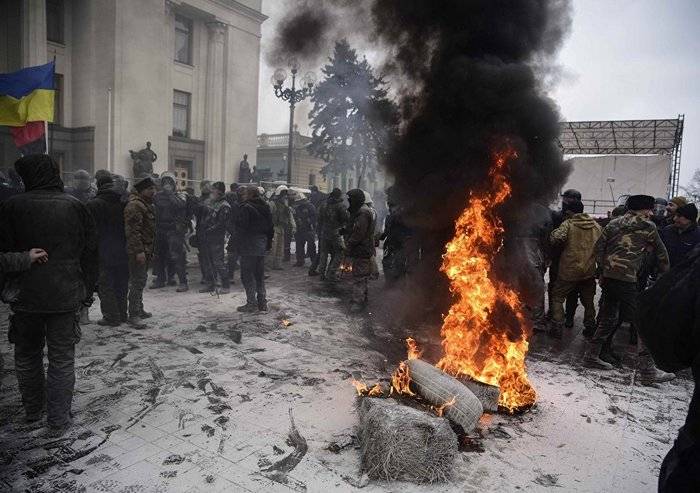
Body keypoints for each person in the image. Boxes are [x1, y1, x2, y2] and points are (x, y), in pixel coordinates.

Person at [0, 154, 98, 436]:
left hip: (24, 297)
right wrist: (87, 293)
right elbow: (91, 255)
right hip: (65, 295)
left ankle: (33, 410)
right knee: (62, 358)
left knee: (27, 355)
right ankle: (57, 420)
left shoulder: (10, 206)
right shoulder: (76, 206)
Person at [583, 195, 674, 385]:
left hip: (609, 278)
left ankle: (591, 355)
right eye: (649, 209)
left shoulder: (614, 224)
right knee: (641, 321)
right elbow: (661, 253)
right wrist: (667, 276)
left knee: (608, 317)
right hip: (627, 280)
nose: (651, 212)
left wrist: (602, 271)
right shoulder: (648, 227)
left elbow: (598, 247)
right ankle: (647, 371)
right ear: (643, 209)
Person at [548, 200, 601, 339]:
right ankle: (590, 326)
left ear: (570, 212)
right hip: (588, 271)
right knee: (588, 301)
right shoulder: (595, 226)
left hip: (569, 271)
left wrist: (553, 232)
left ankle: (557, 326)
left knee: (558, 297)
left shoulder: (568, 224)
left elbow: (556, 238)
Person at [86, 173, 130, 326]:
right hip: (123, 249)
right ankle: (123, 314)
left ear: (98, 185)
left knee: (106, 284)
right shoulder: (124, 202)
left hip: (103, 249)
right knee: (122, 283)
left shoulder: (93, 204)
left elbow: (89, 231)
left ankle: (111, 316)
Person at [124, 176, 156, 325]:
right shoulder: (135, 206)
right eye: (150, 189)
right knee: (137, 281)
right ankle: (134, 314)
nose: (153, 191)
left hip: (146, 248)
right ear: (142, 190)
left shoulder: (145, 204)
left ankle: (139, 309)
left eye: (153, 188)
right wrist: (139, 251)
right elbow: (133, 232)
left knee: (141, 280)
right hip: (139, 250)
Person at [236, 186, 273, 312]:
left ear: (250, 194)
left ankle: (251, 303)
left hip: (249, 245)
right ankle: (262, 302)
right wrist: (268, 244)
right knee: (259, 274)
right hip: (261, 244)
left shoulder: (245, 207)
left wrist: (236, 243)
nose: (243, 195)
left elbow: (242, 228)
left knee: (247, 274)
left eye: (245, 193)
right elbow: (270, 227)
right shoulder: (266, 207)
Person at [150, 172, 189, 292]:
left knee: (177, 256)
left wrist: (170, 194)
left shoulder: (180, 195)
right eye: (164, 182)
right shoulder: (157, 196)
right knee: (159, 255)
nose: (167, 184)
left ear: (173, 183)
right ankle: (160, 279)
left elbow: (180, 206)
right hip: (160, 228)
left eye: (169, 182)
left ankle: (183, 282)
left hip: (174, 229)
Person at [549, 189, 582, 327]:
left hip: (566, 259)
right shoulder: (583, 220)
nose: (566, 202)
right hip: (564, 259)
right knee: (558, 287)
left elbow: (552, 237)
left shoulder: (564, 218)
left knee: (568, 290)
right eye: (566, 199)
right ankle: (558, 314)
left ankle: (564, 316)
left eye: (569, 199)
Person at [345, 189, 376, 311]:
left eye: (350, 199)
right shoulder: (363, 211)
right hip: (363, 247)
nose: (349, 202)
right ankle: (362, 298)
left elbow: (359, 233)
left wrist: (349, 244)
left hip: (361, 248)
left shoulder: (362, 213)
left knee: (359, 276)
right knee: (362, 275)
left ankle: (358, 302)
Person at [310, 188, 349, 281]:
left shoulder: (323, 205)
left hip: (324, 232)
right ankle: (331, 273)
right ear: (339, 196)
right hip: (336, 233)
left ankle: (321, 273)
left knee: (323, 253)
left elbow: (318, 219)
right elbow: (346, 219)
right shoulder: (341, 206)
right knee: (340, 252)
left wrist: (319, 231)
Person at [199, 182, 231, 294]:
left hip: (217, 238)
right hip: (207, 236)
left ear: (220, 191)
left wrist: (209, 230)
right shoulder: (212, 203)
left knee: (218, 262)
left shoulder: (224, 206)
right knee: (208, 262)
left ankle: (226, 285)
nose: (211, 191)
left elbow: (221, 224)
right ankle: (210, 284)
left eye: (214, 189)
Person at [661, 203, 700, 268]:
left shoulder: (698, 235)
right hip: (663, 273)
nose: (674, 219)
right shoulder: (668, 230)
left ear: (689, 219)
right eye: (675, 215)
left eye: (679, 216)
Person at [269, 186, 296, 270]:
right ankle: (269, 265)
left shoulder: (286, 206)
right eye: (283, 195)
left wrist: (293, 226)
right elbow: (269, 216)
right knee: (273, 248)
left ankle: (278, 265)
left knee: (280, 248)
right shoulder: (272, 204)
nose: (285, 197)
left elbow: (290, 217)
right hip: (274, 228)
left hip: (281, 228)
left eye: (285, 195)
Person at [293, 194, 317, 267]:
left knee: (311, 246)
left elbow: (314, 217)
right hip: (300, 229)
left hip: (309, 229)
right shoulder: (298, 208)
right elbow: (295, 217)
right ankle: (300, 261)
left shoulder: (311, 206)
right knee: (299, 246)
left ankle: (314, 261)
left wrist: (308, 221)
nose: (298, 203)